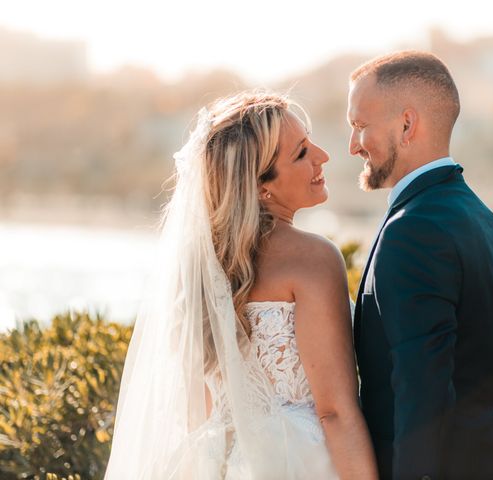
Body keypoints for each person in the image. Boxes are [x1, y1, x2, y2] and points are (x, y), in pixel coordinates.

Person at [105, 92, 377, 479]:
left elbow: (195, 409)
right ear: (260, 185)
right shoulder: (313, 259)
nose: (322, 156)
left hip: (219, 462)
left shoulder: (198, 267)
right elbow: (335, 412)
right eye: (301, 153)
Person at [348, 51, 493, 479]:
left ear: (406, 125)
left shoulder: (414, 229)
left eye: (360, 126)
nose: (353, 145)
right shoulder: (480, 215)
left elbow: (422, 394)